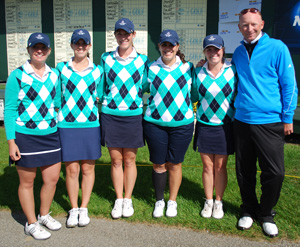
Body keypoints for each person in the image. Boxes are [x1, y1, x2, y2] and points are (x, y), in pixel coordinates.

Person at [233, 8, 298, 237]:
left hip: (270, 121)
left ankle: (267, 213)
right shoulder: (239, 51)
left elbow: (290, 85)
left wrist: (288, 116)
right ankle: (248, 210)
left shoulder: (277, 48)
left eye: (253, 24)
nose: (248, 29)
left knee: (275, 172)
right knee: (244, 171)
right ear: (239, 27)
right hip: (242, 120)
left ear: (261, 23)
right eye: (244, 25)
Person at [4, 33, 62, 240]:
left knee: (52, 179)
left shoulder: (54, 74)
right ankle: (31, 222)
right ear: (29, 50)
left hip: (51, 134)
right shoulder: (17, 75)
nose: (39, 51)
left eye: (43, 47)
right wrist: (11, 142)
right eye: (35, 47)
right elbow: (9, 110)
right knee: (27, 182)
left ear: (49, 50)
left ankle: (44, 215)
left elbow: (56, 103)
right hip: (25, 136)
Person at [143, 30, 198, 218]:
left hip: (182, 124)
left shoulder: (189, 68)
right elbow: (142, 88)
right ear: (159, 46)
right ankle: (159, 200)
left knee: (174, 164)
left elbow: (196, 93)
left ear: (177, 47)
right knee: (159, 164)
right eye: (164, 45)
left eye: (171, 45)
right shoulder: (150, 68)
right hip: (155, 123)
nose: (168, 48)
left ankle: (172, 201)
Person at [100, 18, 148, 219]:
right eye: (119, 33)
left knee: (130, 159)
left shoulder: (143, 60)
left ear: (133, 35)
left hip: (133, 115)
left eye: (127, 33)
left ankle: (128, 199)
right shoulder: (106, 58)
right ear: (115, 36)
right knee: (115, 159)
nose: (123, 37)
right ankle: (118, 198)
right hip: (111, 114)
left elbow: (146, 85)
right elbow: (101, 84)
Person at [56, 29, 104, 227]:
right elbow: (56, 95)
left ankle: (84, 208)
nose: (81, 46)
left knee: (87, 168)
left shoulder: (98, 70)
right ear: (72, 45)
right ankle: (73, 208)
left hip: (90, 124)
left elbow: (98, 95)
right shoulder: (61, 68)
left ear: (89, 46)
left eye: (84, 43)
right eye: (77, 43)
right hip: (67, 125)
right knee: (72, 170)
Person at [194, 34, 237, 219]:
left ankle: (218, 202)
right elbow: (193, 96)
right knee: (207, 166)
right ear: (204, 51)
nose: (213, 53)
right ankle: (208, 201)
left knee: (220, 166)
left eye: (216, 49)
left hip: (224, 125)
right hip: (204, 124)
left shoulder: (233, 70)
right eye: (209, 49)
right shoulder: (197, 72)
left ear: (223, 50)